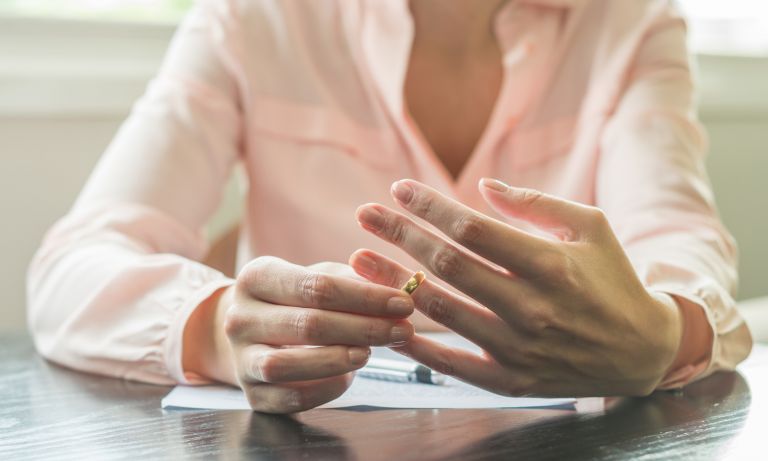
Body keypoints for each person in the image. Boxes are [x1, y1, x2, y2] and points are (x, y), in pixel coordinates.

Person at [27, 0, 752, 413]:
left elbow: (682, 245)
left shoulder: (631, 26)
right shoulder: (253, 20)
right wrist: (219, 328)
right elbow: (72, 270)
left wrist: (662, 331)